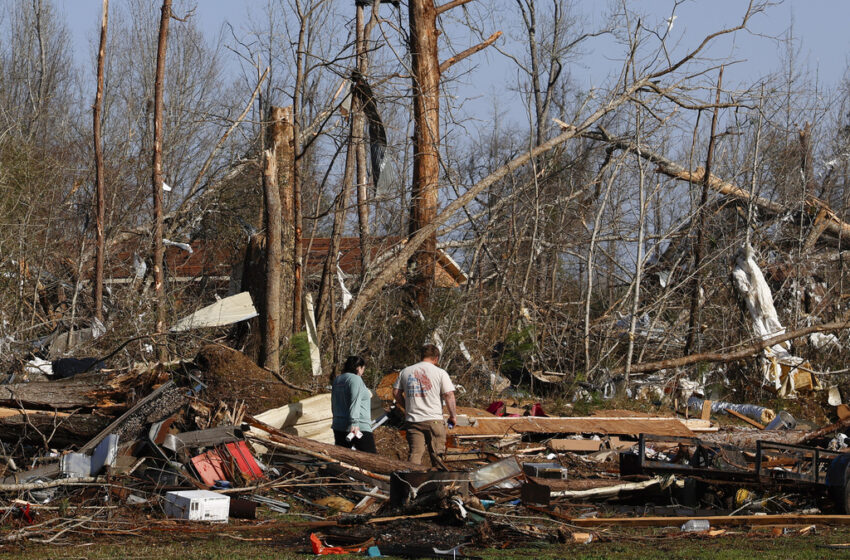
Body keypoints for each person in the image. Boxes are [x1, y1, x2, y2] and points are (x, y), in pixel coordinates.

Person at [393, 344, 457, 466]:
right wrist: (453, 416)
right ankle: (438, 483)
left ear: (421, 356)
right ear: (436, 358)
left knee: (415, 455)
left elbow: (396, 392)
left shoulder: (406, 371)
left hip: (413, 420)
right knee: (437, 455)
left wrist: (407, 406)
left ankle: (411, 482)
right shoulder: (440, 373)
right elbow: (449, 394)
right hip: (434, 420)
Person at [331, 355, 377, 453]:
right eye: (363, 368)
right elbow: (354, 401)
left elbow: (334, 402)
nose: (362, 372)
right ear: (358, 367)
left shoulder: (337, 380)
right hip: (358, 427)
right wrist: (354, 423)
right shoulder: (355, 379)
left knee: (342, 458)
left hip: (339, 425)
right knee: (371, 458)